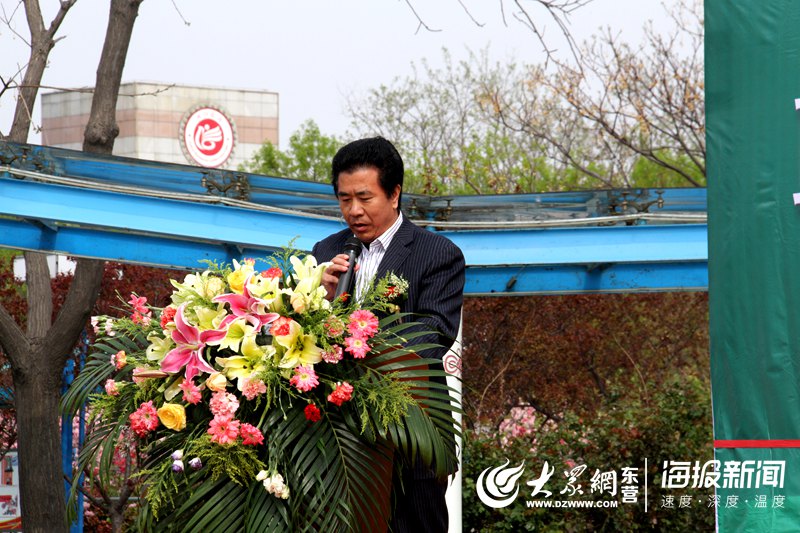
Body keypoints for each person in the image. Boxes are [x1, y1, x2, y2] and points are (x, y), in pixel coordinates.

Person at [312, 136, 465, 533]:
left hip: (409, 441)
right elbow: (301, 336)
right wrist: (319, 302)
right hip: (335, 446)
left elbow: (435, 334)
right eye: (344, 199)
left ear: (394, 194)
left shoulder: (437, 253)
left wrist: (358, 343)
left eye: (365, 198)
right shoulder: (326, 250)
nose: (354, 211)